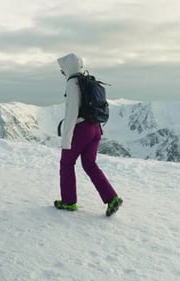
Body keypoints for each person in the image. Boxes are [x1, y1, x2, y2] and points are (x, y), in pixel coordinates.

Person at [54, 53, 123, 216]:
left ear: (67, 68)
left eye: (62, 69)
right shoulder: (87, 80)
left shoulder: (72, 83)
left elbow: (72, 113)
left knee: (66, 163)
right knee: (90, 165)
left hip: (81, 130)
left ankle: (68, 202)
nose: (62, 73)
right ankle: (112, 198)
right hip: (95, 128)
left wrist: (66, 139)